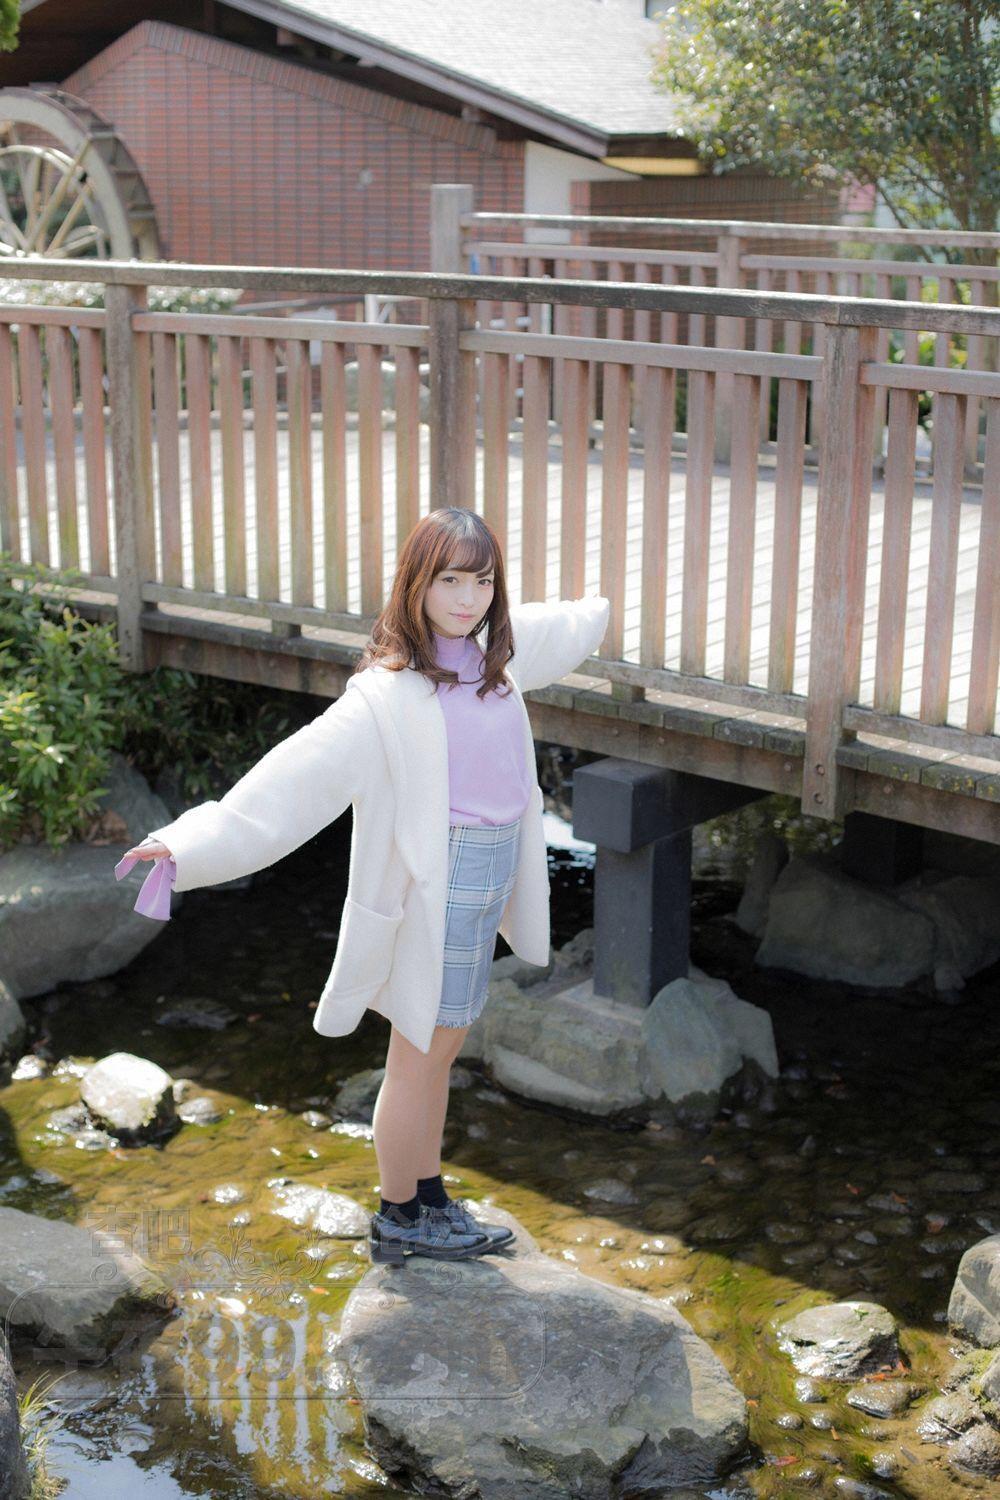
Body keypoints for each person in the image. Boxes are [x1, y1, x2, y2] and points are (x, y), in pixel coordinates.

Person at [116, 507, 610, 1265]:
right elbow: (289, 782)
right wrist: (186, 844)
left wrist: (606, 604)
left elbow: (566, 626)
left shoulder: (494, 660)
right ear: (417, 582)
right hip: (435, 889)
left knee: (442, 1049)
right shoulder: (386, 696)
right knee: (419, 1054)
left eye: (482, 582)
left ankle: (427, 1194)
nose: (468, 598)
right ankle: (399, 1211)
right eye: (450, 580)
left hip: (487, 880)